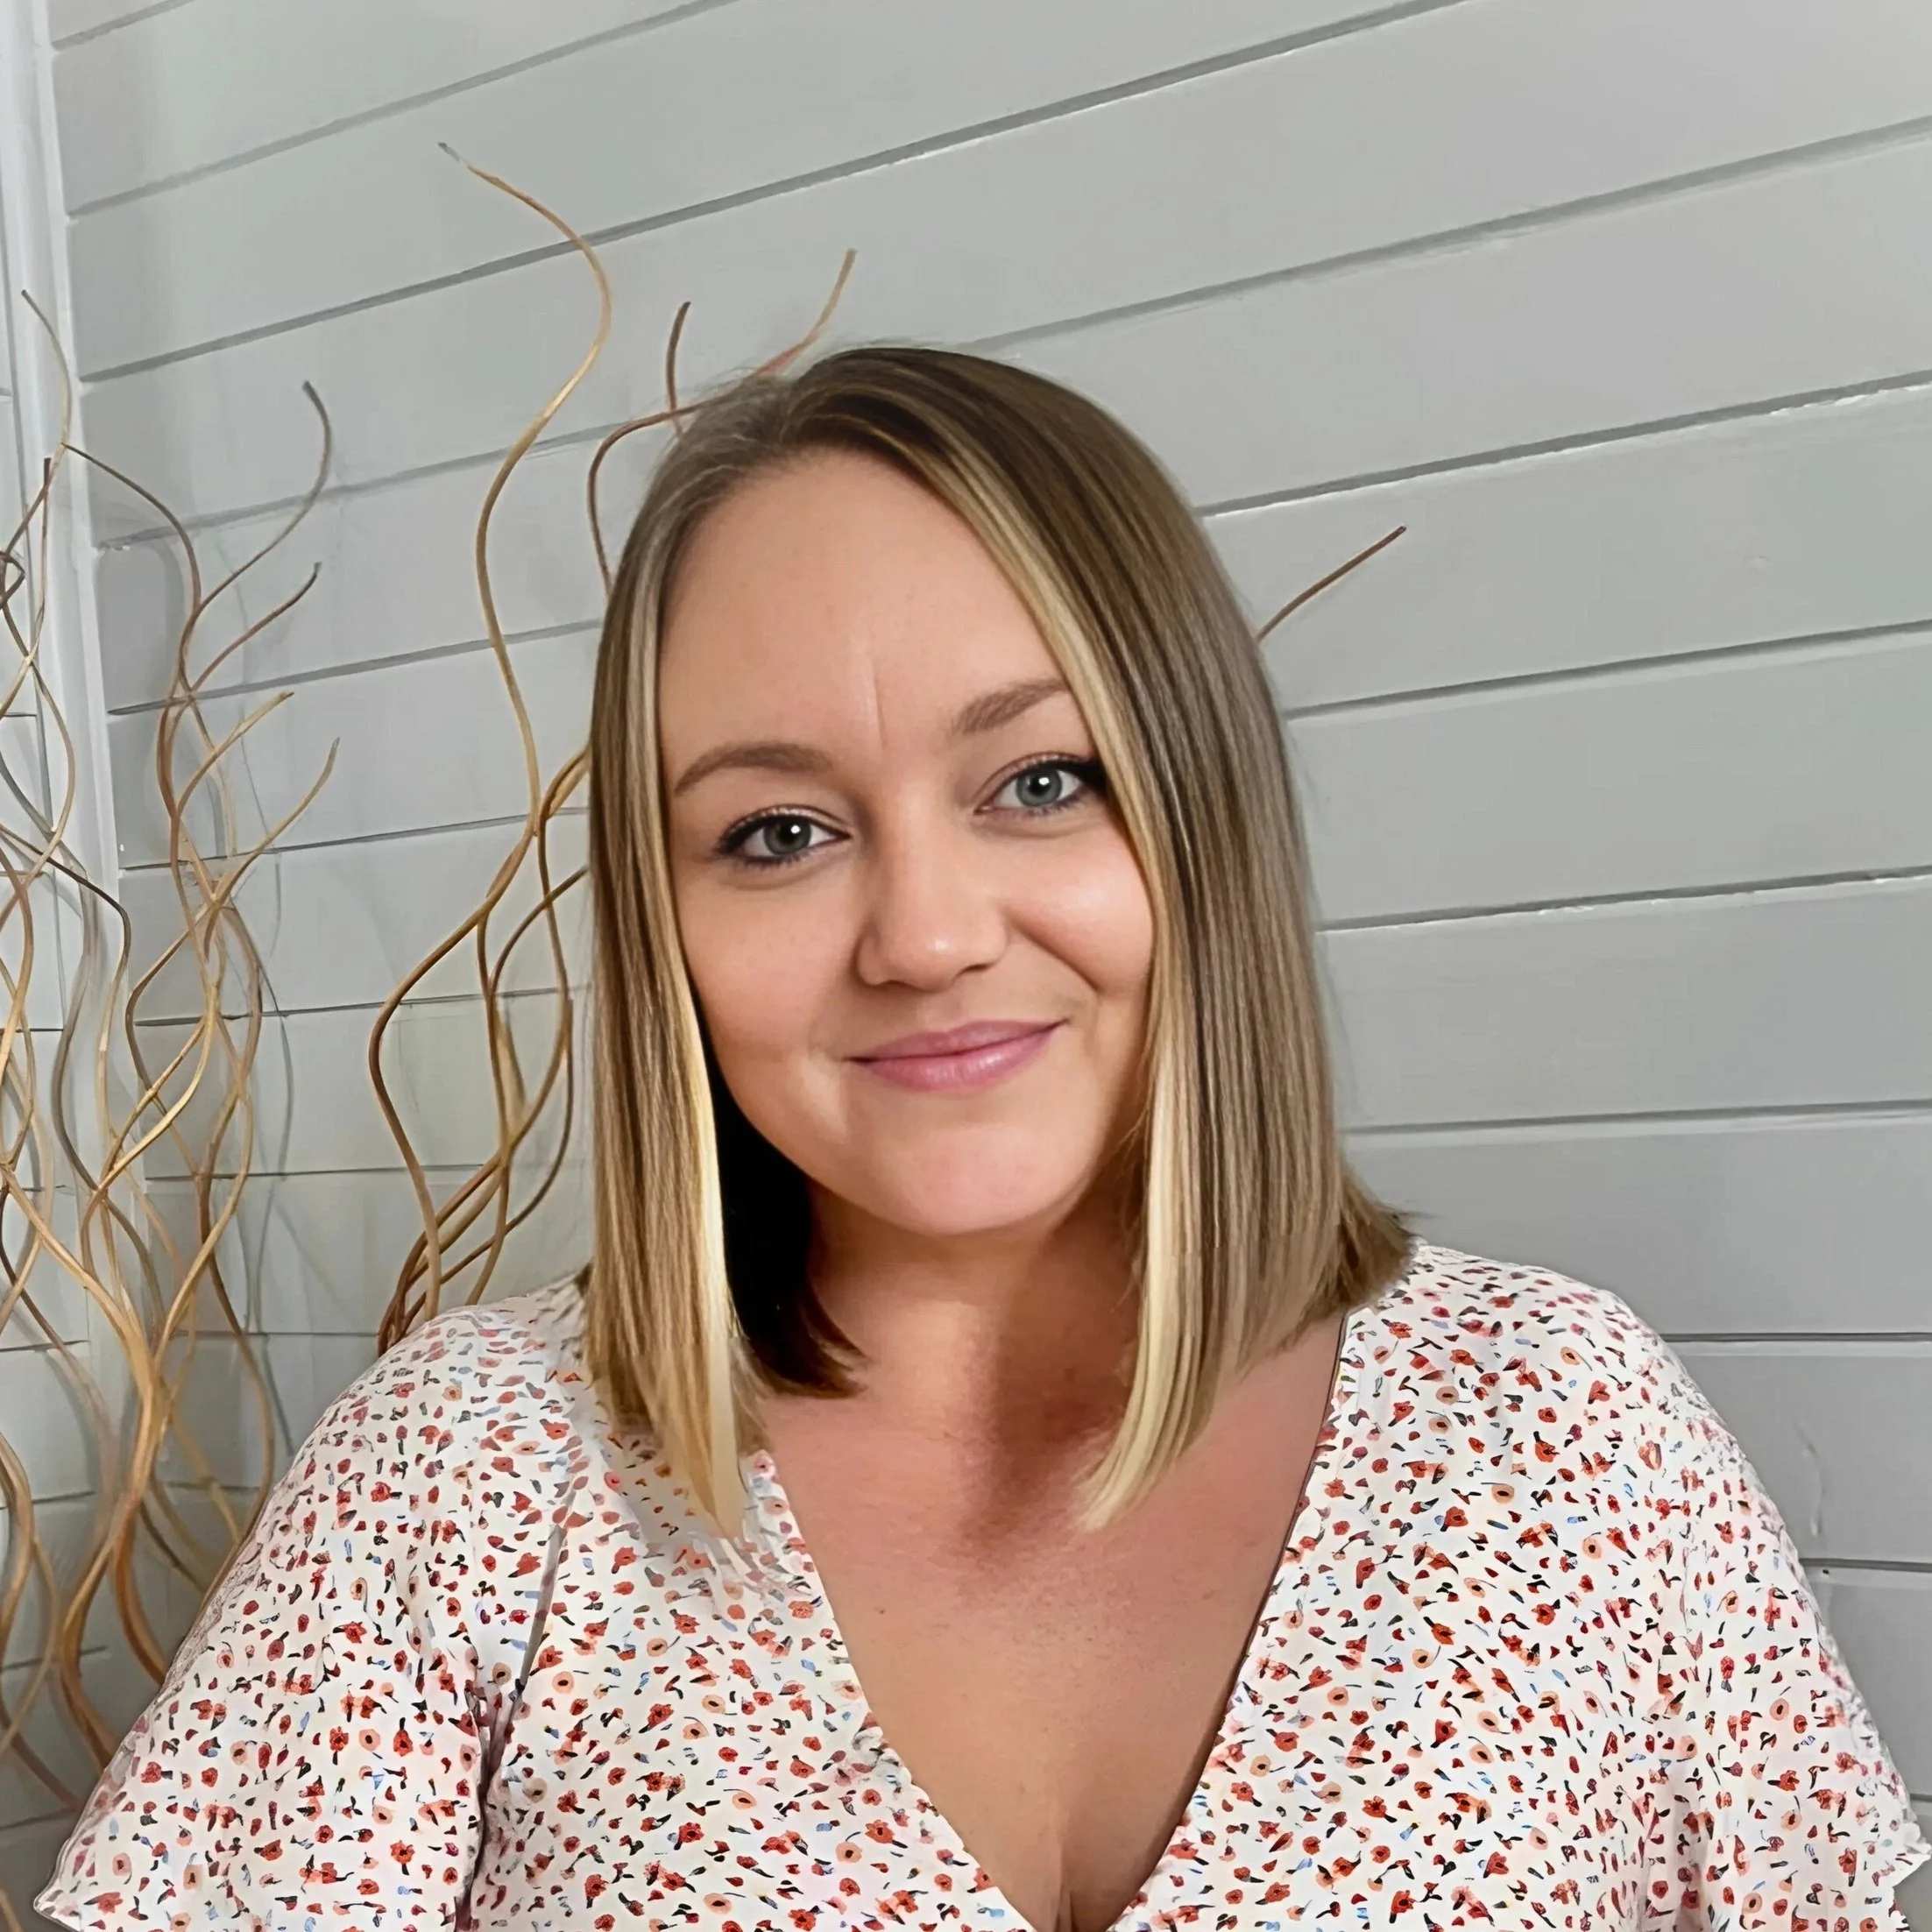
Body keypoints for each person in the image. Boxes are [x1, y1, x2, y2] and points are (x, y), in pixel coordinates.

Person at [38, 349, 1926, 1932]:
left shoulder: (1566, 1433)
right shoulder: (463, 1481)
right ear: (663, 921)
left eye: (1042, 781)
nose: (926, 934)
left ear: (1201, 820)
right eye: (776, 830)